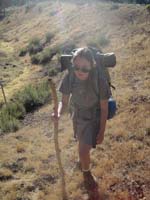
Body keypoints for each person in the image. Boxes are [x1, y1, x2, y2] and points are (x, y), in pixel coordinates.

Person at [52, 47, 111, 190]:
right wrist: (58, 112)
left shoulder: (100, 80)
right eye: (77, 67)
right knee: (81, 141)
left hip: (93, 117)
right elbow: (64, 102)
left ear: (92, 65)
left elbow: (104, 109)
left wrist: (101, 131)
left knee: (83, 150)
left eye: (85, 68)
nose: (80, 71)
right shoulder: (71, 76)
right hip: (77, 115)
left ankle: (87, 174)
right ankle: (83, 160)